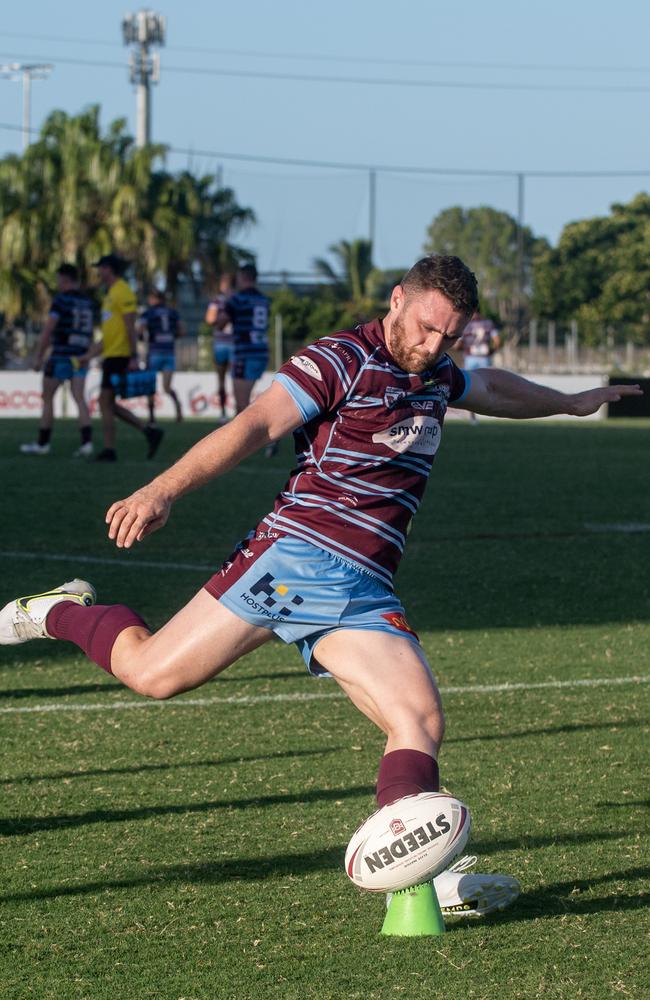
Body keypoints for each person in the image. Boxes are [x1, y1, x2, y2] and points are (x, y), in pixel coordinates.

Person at [0, 255, 641, 917]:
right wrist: (161, 490)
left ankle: (420, 880)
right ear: (397, 300)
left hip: (365, 587)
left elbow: (492, 389)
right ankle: (60, 613)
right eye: (425, 328)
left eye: (450, 336)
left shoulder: (435, 371)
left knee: (416, 720)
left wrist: (571, 401)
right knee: (151, 673)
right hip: (292, 561)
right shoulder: (341, 359)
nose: (433, 346)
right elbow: (255, 426)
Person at [79, 254, 163, 462]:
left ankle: (110, 450)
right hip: (111, 355)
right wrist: (89, 355)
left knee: (105, 402)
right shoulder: (110, 294)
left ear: (109, 269)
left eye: (101, 268)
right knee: (107, 403)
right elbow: (109, 335)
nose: (98, 272)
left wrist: (133, 356)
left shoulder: (122, 291)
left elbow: (129, 327)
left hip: (120, 356)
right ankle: (148, 431)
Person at [20, 263, 95, 458]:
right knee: (79, 398)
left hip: (61, 355)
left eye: (58, 280)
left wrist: (38, 356)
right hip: (81, 356)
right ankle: (87, 444)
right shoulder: (87, 302)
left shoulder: (61, 300)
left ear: (64, 279)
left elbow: (48, 330)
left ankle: (43, 443)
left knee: (47, 397)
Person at [215, 263, 270, 415]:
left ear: (242, 277)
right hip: (261, 353)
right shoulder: (263, 300)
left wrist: (226, 303)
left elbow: (220, 324)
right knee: (244, 405)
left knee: (242, 405)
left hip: (245, 354)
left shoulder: (237, 300)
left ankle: (268, 436)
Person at [137, 289, 186, 424]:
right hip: (169, 353)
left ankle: (152, 418)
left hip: (154, 353)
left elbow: (140, 330)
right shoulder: (172, 313)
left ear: (152, 299)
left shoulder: (148, 313)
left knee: (150, 387)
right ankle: (178, 407)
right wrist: (171, 337)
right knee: (167, 387)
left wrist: (142, 338)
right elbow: (182, 331)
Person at [459, 313, 501, 423]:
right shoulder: (488, 324)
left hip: (471, 358)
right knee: (487, 385)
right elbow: (497, 341)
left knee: (470, 386)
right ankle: (486, 412)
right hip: (482, 357)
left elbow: (459, 343)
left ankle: (473, 416)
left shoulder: (466, 324)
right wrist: (491, 351)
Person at [205, 273, 235, 420]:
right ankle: (238, 412)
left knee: (221, 379)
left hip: (222, 343)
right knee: (237, 381)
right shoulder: (238, 299)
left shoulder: (217, 300)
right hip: (235, 343)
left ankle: (223, 413)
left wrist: (221, 318)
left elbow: (210, 319)